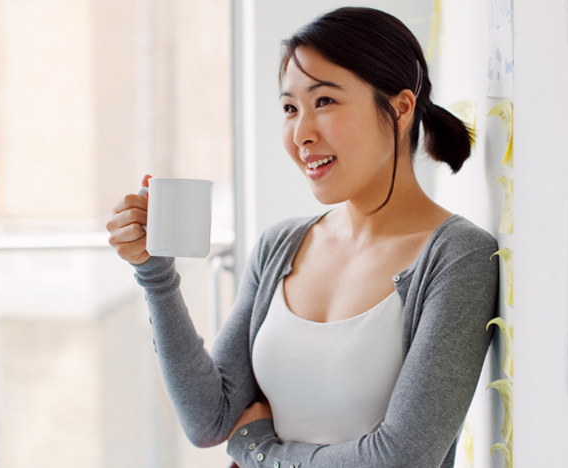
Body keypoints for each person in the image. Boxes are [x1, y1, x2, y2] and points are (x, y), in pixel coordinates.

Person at [106, 7, 498, 468]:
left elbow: (399, 459)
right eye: (290, 108)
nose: (301, 134)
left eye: (325, 102)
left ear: (400, 107)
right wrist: (154, 272)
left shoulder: (458, 257)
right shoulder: (281, 246)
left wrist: (257, 449)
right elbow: (209, 418)